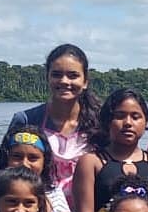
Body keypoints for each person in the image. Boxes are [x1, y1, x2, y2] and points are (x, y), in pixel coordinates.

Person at [9, 43, 100, 203]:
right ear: (47, 77)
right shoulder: (26, 120)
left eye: (73, 75)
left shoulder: (100, 122)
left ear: (85, 81)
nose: (64, 81)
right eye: (57, 74)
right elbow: (7, 172)